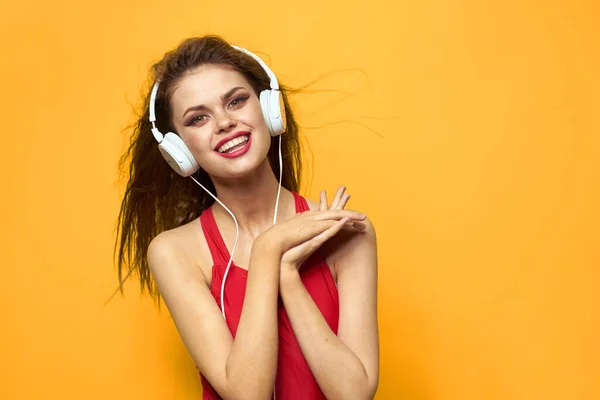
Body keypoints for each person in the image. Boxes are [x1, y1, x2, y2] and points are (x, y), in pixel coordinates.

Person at [115, 35, 379, 399]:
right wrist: (269, 249)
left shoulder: (345, 232)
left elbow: (354, 394)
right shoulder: (174, 252)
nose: (224, 123)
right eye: (198, 118)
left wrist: (288, 277)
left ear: (269, 110)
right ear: (179, 150)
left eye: (236, 101)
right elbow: (247, 394)